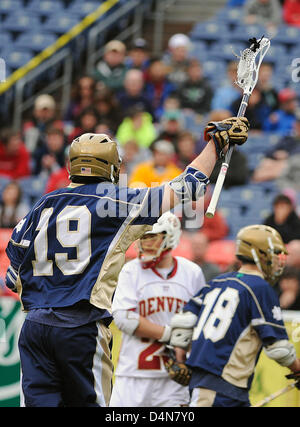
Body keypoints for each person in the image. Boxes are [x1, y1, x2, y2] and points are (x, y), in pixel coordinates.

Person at [5, 114, 249, 407]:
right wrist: (215, 144)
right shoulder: (114, 201)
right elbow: (187, 187)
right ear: (110, 167)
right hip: (79, 327)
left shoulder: (42, 204)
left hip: (34, 329)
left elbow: (12, 275)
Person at [168, 224, 300, 407]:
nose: (278, 261)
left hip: (216, 387)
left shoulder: (217, 281)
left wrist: (180, 356)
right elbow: (279, 349)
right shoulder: (261, 288)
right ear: (260, 254)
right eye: (274, 254)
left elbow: (182, 323)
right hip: (222, 388)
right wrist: (298, 369)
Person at [109, 212, 206, 407]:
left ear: (170, 236)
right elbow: (124, 318)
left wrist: (186, 348)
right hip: (133, 375)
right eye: (143, 237)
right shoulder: (131, 270)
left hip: (173, 379)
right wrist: (168, 334)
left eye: (152, 236)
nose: (146, 243)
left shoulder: (191, 272)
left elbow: (201, 323)